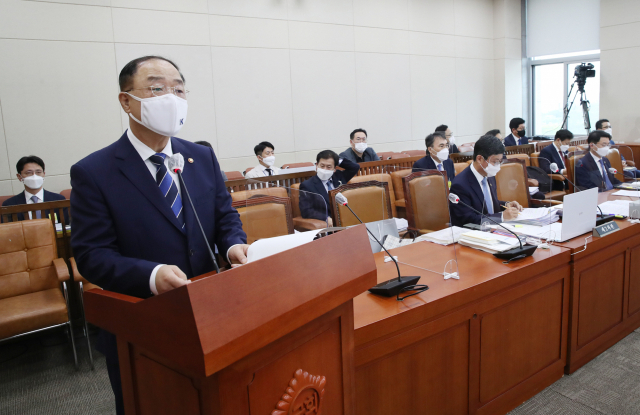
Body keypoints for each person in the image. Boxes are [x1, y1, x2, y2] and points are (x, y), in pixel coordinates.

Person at [70, 56, 248, 415]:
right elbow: (92, 255)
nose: (171, 97)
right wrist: (151, 275)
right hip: (143, 321)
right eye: (156, 88)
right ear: (126, 101)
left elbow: (224, 215)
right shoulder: (94, 171)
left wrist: (233, 246)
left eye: (179, 89)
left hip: (211, 309)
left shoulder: (200, 156)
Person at [449, 135, 522, 227]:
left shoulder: (489, 175)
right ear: (479, 159)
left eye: (500, 161)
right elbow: (467, 219)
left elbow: (488, 204)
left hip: (494, 228)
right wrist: (501, 217)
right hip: (472, 233)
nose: (498, 166)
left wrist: (506, 205)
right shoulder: (460, 185)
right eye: (495, 162)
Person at [2, 155, 68, 223]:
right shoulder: (9, 204)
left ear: (44, 174)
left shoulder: (58, 200)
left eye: (38, 172)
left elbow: (66, 227)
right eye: (28, 173)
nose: (34, 176)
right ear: (19, 177)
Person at [299, 150, 359, 223]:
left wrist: (337, 159)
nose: (324, 169)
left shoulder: (339, 176)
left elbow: (355, 167)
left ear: (334, 169)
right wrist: (325, 218)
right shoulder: (307, 185)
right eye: (322, 166)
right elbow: (306, 211)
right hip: (329, 225)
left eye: (329, 167)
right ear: (317, 166)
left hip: (347, 218)